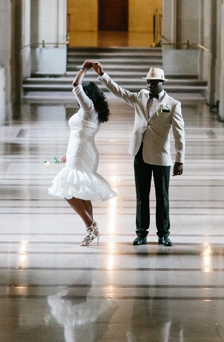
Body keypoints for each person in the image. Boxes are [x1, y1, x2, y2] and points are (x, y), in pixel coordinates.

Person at [95, 63, 184, 247]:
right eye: (148, 83)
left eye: (153, 83)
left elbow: (179, 134)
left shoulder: (173, 104)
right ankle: (141, 233)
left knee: (162, 198)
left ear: (162, 83)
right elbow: (120, 92)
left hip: (161, 157)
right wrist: (104, 75)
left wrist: (179, 160)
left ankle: (163, 234)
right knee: (142, 196)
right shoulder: (141, 96)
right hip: (140, 153)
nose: (149, 86)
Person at [48, 61, 116, 246]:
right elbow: (79, 133)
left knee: (67, 190)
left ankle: (91, 225)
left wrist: (84, 69)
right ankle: (91, 230)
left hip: (82, 151)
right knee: (82, 191)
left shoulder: (88, 108)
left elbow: (75, 86)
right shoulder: (91, 110)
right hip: (80, 150)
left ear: (88, 95)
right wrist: (67, 153)